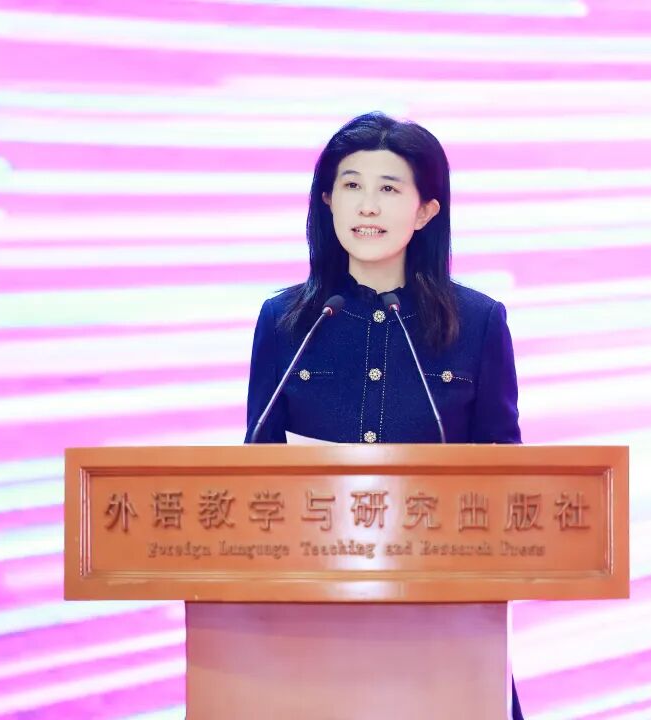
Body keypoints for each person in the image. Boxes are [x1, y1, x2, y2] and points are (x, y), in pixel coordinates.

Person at [244, 111, 524, 718]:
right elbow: (256, 473)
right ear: (327, 200)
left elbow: (507, 476)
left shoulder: (479, 323)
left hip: (445, 616)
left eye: (389, 189)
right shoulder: (285, 322)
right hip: (313, 614)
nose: (367, 206)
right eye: (351, 185)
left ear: (426, 211)